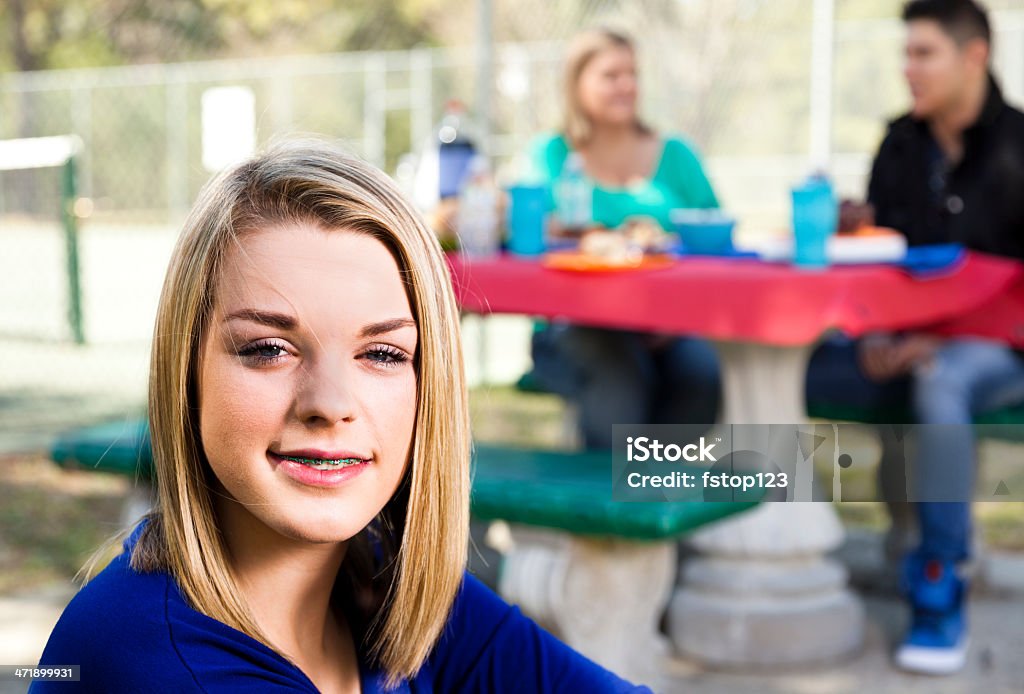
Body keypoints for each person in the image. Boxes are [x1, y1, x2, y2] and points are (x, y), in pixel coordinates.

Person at [31, 140, 652, 693]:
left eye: (381, 353)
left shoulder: (381, 577)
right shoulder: (155, 664)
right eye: (268, 349)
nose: (329, 405)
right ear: (186, 373)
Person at [806, 0, 1024, 675]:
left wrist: (940, 338)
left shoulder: (1019, 145)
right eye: (905, 54)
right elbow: (880, 265)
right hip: (901, 344)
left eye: (923, 53)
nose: (909, 69)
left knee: (943, 382)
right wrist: (877, 331)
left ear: (974, 56)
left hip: (999, 350)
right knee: (778, 371)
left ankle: (939, 583)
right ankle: (742, 535)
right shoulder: (900, 143)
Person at [527, 28, 722, 449]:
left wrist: (676, 317)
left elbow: (712, 240)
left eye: (632, 73)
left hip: (671, 321)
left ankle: (652, 495)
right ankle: (611, 502)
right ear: (577, 84)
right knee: (621, 384)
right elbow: (531, 234)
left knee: (702, 375)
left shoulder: (676, 155)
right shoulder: (554, 156)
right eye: (611, 75)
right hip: (575, 322)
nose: (626, 86)